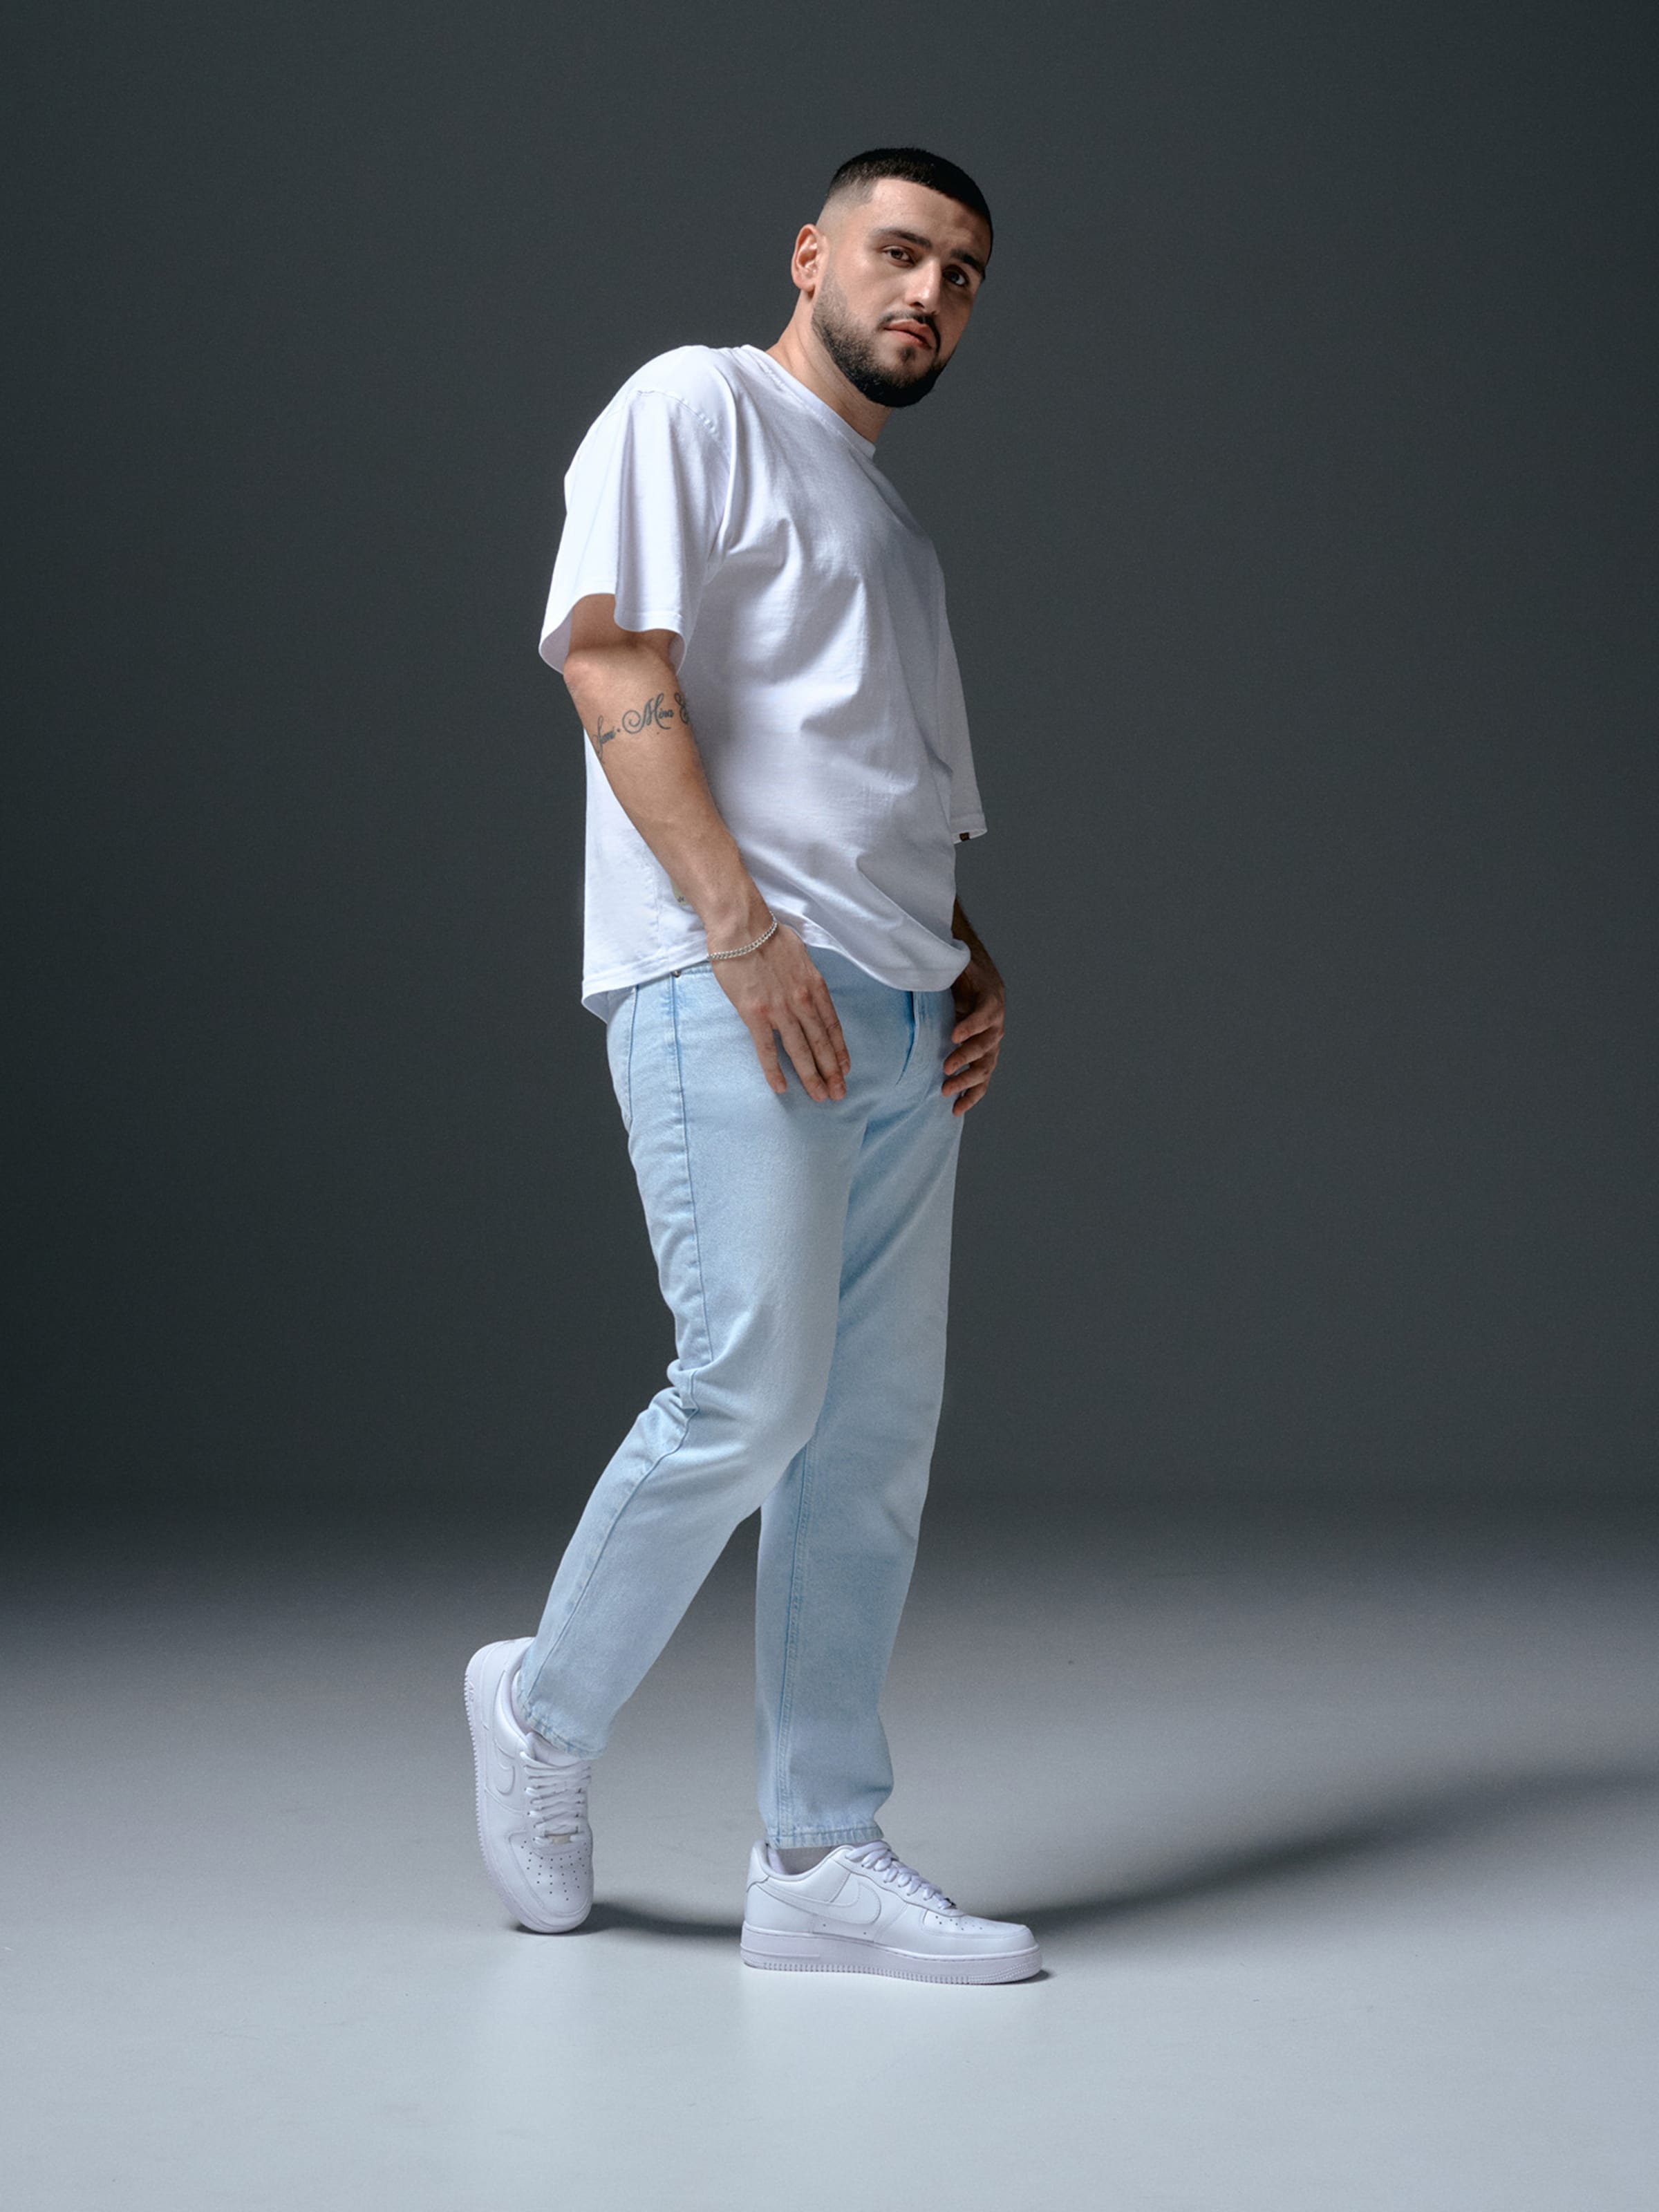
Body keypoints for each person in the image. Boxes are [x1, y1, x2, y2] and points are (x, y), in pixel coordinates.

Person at [465, 147, 1038, 1985]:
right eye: (899, 251)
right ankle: (542, 1712)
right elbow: (609, 661)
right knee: (751, 1392)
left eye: (961, 273)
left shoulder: (898, 536)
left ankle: (817, 1849)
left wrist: (966, 963)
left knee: (868, 1445)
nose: (928, 292)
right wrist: (738, 926)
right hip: (738, 982)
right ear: (811, 255)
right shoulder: (695, 406)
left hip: (898, 1018)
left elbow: (889, 802)